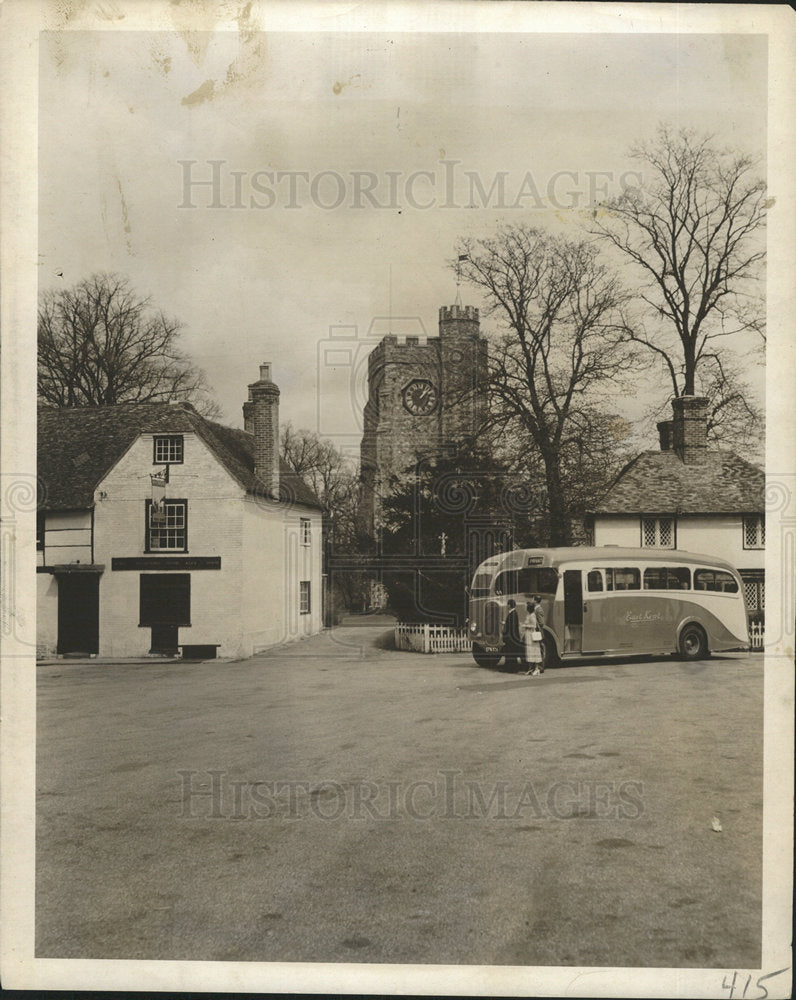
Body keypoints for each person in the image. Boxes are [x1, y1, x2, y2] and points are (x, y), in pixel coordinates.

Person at [521, 597, 546, 676]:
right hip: (529, 635)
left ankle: (537, 669)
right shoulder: (531, 614)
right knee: (530, 652)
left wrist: (525, 625)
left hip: (532, 635)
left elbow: (536, 624)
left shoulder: (534, 614)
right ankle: (531, 669)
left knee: (535, 651)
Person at [501, 599, 523, 671]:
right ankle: (510, 667)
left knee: (510, 653)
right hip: (512, 637)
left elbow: (511, 627)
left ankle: (510, 668)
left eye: (507, 604)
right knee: (511, 653)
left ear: (509, 605)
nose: (507, 606)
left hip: (511, 638)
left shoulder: (512, 614)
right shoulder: (513, 613)